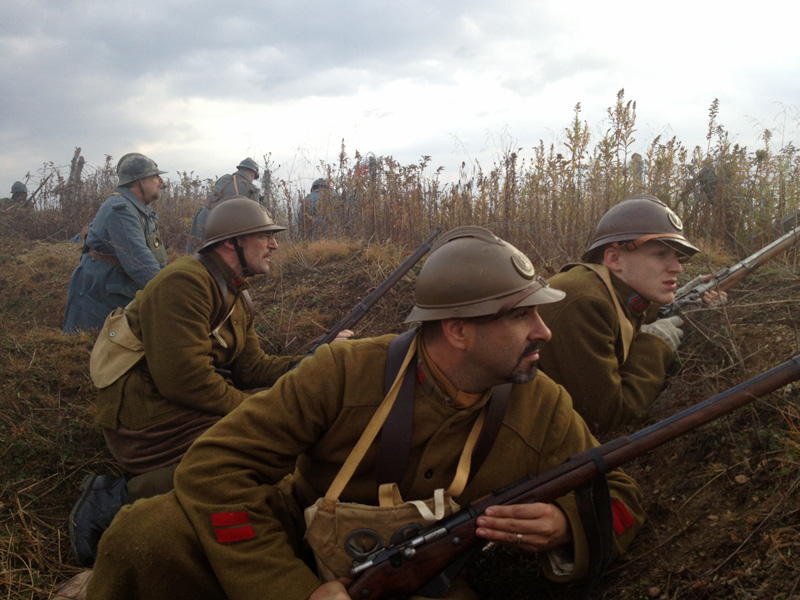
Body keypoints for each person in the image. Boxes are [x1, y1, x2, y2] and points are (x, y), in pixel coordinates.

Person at [87, 225, 644, 600]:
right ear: (457, 331)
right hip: (294, 546)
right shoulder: (344, 371)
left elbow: (615, 490)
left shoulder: (542, 403)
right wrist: (294, 590)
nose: (544, 332)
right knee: (148, 534)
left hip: (423, 585)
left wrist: (565, 525)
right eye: (522, 317)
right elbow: (213, 468)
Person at [68, 197, 353, 567]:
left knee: (282, 420)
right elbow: (185, 382)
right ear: (231, 243)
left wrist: (316, 360)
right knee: (255, 444)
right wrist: (258, 413)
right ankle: (117, 496)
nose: (275, 245)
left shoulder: (237, 293)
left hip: (175, 404)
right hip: (143, 420)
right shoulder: (185, 282)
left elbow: (253, 369)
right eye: (264, 236)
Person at [537, 194, 726, 436]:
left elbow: (632, 313)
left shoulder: (608, 288)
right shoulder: (584, 302)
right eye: (660, 254)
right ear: (614, 258)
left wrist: (691, 299)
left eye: (677, 257)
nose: (677, 267)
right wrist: (657, 343)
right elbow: (607, 416)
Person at [62, 153, 169, 334]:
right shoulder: (121, 209)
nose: (160, 181)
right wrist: (171, 292)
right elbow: (140, 263)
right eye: (154, 176)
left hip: (115, 286)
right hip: (100, 294)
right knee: (91, 350)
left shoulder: (138, 208)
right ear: (139, 182)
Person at [186, 157, 263, 252]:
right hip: (219, 226)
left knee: (195, 254)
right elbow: (256, 216)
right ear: (252, 174)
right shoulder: (251, 188)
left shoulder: (224, 178)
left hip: (202, 218)